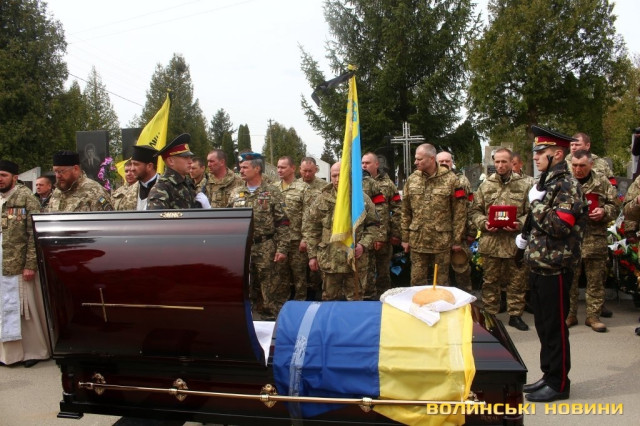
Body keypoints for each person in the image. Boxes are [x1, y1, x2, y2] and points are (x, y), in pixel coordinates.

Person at [515, 125, 587, 402]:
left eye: (540, 151)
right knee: (544, 327)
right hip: (540, 265)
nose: (535, 156)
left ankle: (559, 383)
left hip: (555, 268)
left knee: (555, 328)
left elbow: (559, 226)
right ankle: (548, 375)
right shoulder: (546, 183)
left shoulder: (567, 185)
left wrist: (535, 204)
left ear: (556, 154)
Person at [470, 148, 532, 331]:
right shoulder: (485, 185)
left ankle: (515, 315)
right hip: (492, 243)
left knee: (517, 281)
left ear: (512, 162)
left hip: (515, 242)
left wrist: (519, 223)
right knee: (490, 282)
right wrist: (484, 223)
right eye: (497, 162)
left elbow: (532, 212)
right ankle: (490, 317)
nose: (500, 165)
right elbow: (475, 211)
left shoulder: (525, 184)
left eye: (504, 161)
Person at [303, 162, 380, 301]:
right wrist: (312, 256)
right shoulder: (322, 199)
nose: (337, 179)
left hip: (355, 260)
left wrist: (363, 245)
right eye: (334, 176)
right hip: (330, 261)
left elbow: (374, 225)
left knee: (355, 301)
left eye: (341, 175)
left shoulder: (361, 199)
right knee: (330, 301)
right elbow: (311, 229)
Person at [228, 152, 290, 319]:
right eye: (240, 167)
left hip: (266, 247)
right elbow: (229, 221)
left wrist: (282, 248)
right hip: (242, 249)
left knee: (268, 290)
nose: (241, 170)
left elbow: (283, 222)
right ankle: (249, 321)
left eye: (245, 167)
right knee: (245, 288)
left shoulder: (272, 192)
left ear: (257, 169)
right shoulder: (235, 193)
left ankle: (270, 322)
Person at [0, 160, 50, 367]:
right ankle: (8, 355)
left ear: (15, 177)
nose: (0, 179)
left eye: (3, 175)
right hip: (1, 263)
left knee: (27, 311)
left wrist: (30, 264)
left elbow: (34, 234)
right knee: (4, 308)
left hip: (21, 265)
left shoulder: (26, 198)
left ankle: (34, 352)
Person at [566, 150, 619, 332]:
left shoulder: (601, 182)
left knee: (595, 281)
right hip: (570, 240)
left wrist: (604, 211)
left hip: (594, 239)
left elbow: (615, 206)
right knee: (570, 281)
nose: (577, 169)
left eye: (582, 165)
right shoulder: (565, 182)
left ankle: (593, 316)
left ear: (591, 164)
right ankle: (570, 314)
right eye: (574, 165)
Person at [401, 143, 466, 286]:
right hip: (418, 240)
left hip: (441, 241)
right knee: (417, 282)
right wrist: (405, 238)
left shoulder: (451, 180)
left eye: (419, 159)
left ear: (431, 159)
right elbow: (405, 211)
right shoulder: (412, 179)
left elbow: (459, 212)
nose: (415, 162)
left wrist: (457, 240)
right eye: (415, 159)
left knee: (441, 283)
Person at [361, 152, 401, 297]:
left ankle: (384, 298)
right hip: (363, 238)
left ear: (377, 164)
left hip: (383, 238)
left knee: (383, 273)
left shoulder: (388, 184)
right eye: (362, 163)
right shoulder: (358, 183)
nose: (364, 166)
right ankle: (368, 300)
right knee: (366, 273)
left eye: (367, 163)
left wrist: (395, 233)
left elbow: (397, 209)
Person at [436, 151, 475, 292]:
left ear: (452, 162)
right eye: (441, 161)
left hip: (460, 234)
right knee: (441, 271)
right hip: (439, 234)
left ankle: (466, 296)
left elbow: (470, 207)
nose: (444, 163)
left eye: (447, 161)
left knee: (461, 268)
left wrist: (471, 232)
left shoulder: (462, 181)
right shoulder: (433, 180)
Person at [147, 134, 209, 210]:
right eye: (185, 157)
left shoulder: (187, 183)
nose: (190, 161)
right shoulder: (161, 188)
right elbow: (156, 217)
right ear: (171, 161)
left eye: (190, 157)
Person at [47, 150, 113, 212]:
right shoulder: (57, 192)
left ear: (75, 169)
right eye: (55, 171)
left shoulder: (95, 192)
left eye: (61, 171)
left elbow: (107, 219)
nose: (58, 176)